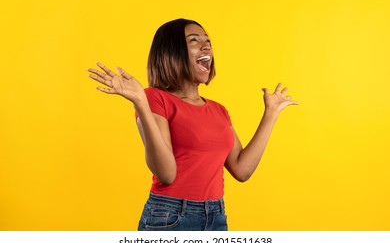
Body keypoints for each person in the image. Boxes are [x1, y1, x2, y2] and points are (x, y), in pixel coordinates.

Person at [87, 18, 298, 231]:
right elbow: (166, 174)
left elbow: (242, 170)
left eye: (208, 41)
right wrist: (140, 103)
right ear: (172, 52)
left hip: (216, 216)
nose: (206, 46)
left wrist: (271, 113)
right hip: (169, 216)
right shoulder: (154, 98)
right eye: (194, 41)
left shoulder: (219, 110)